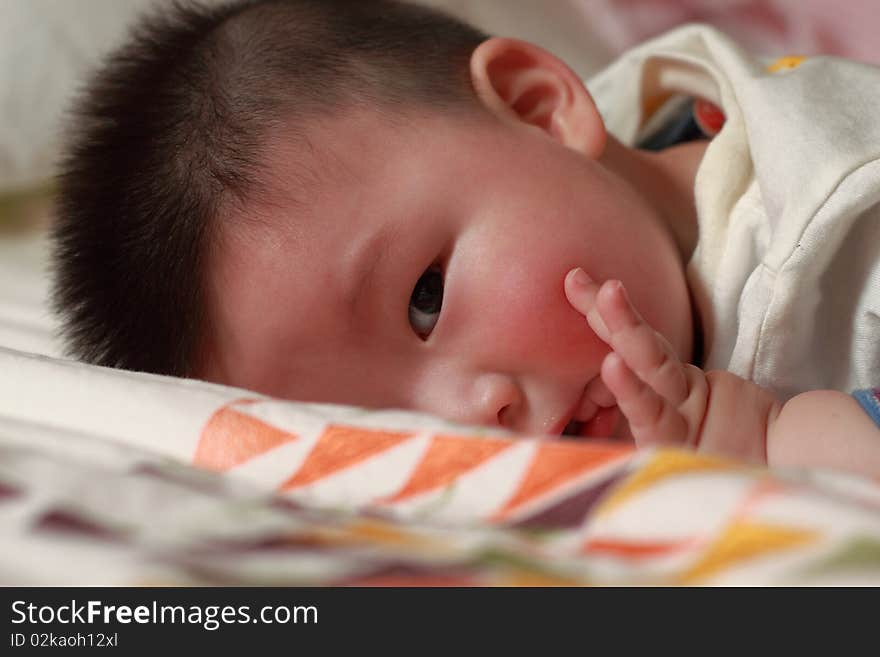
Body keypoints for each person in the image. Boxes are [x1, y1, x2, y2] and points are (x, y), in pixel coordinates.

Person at [50, 0, 880, 476]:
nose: (473, 416)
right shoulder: (603, 199)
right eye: (378, 422)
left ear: (538, 107)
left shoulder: (843, 216)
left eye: (426, 299)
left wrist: (770, 443)